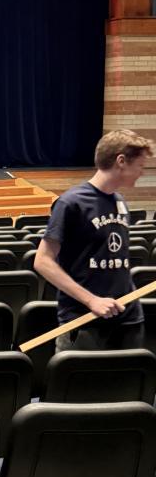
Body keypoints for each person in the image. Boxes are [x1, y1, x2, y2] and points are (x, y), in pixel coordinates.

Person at [35, 129, 155, 351]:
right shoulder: (71, 203)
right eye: (140, 165)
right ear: (121, 161)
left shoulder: (120, 202)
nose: (142, 172)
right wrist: (91, 300)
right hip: (83, 321)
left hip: (128, 320)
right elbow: (42, 261)